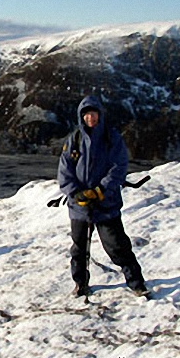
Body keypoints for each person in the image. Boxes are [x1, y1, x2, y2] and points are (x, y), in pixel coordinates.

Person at [57, 95, 149, 298]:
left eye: (94, 113)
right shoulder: (74, 140)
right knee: (79, 249)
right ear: (82, 117)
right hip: (79, 206)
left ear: (100, 115)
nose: (91, 118)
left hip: (106, 203)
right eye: (87, 114)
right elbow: (65, 171)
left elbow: (119, 167)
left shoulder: (111, 137)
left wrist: (101, 190)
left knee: (118, 246)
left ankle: (136, 283)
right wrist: (76, 193)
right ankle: (80, 284)